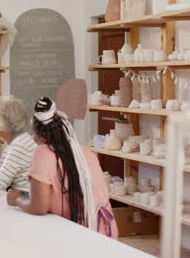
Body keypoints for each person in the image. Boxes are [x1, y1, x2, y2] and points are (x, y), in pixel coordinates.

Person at [7, 97, 118, 239]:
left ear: (43, 139)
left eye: (34, 133)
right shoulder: (87, 154)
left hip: (82, 238)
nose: (33, 138)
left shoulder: (43, 153)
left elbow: (38, 207)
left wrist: (16, 199)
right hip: (105, 232)